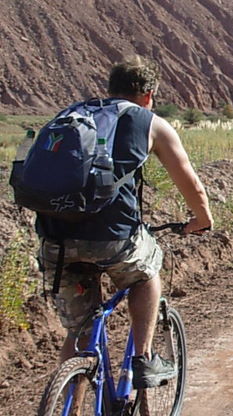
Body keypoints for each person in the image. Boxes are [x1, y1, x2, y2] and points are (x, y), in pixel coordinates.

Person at [37, 55, 213, 389]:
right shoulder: (150, 122)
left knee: (80, 332)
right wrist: (202, 218)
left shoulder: (72, 114)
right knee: (146, 274)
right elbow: (188, 181)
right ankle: (143, 360)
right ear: (148, 94)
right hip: (114, 239)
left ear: (111, 88)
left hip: (55, 239)